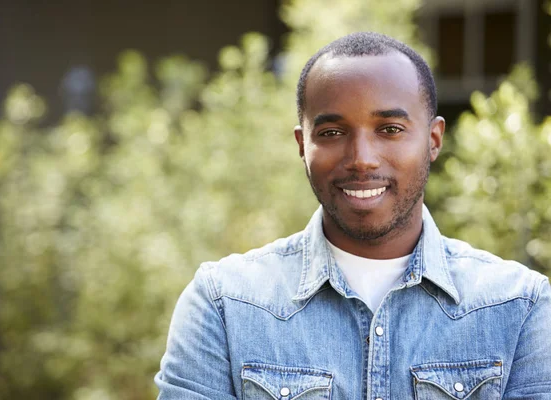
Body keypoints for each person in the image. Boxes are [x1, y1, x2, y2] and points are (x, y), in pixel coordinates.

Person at [155, 32, 551, 399]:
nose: (361, 159)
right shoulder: (225, 305)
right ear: (302, 144)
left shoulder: (518, 307)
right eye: (331, 133)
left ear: (433, 140)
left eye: (390, 129)